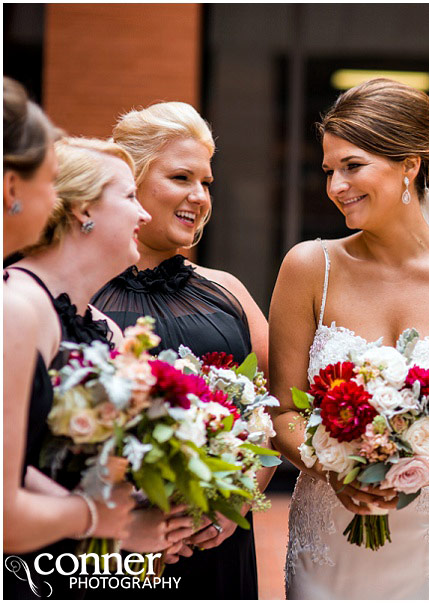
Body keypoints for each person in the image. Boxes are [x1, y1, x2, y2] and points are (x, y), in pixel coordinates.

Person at [269, 78, 429, 599]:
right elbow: (281, 410)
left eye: (352, 166)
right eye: (329, 170)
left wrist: (411, 471)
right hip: (331, 538)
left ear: (410, 164)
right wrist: (336, 467)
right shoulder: (308, 266)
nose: (336, 185)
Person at [91, 101, 270, 599]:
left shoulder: (227, 291)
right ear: (131, 180)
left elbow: (275, 417)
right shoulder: (74, 296)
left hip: (217, 548)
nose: (200, 196)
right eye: (181, 177)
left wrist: (236, 502)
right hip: (108, 552)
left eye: (206, 183)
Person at [2, 109, 137, 598]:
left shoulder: (109, 330)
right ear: (83, 209)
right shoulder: (18, 304)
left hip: (88, 569)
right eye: (130, 196)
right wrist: (102, 521)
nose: (143, 214)